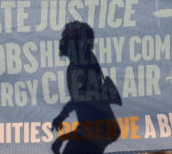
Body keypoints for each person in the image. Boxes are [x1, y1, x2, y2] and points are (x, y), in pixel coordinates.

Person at [51, 21, 121, 154]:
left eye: (67, 37)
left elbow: (84, 99)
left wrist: (63, 131)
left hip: (95, 134)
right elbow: (82, 99)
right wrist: (62, 118)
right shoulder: (80, 63)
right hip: (92, 134)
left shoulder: (83, 62)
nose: (62, 40)